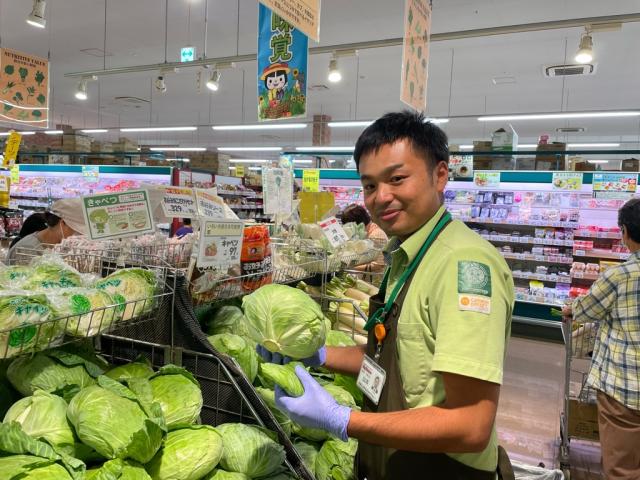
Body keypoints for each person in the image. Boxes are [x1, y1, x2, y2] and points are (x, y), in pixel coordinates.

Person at [259, 111, 515, 479]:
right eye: (369, 186)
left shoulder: (463, 265)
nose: (382, 197)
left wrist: (341, 420)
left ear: (440, 175)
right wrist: (315, 354)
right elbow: (392, 357)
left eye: (397, 179)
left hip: (440, 470)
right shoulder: (408, 254)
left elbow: (471, 424)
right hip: (397, 459)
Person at [563, 198, 640, 480]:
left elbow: (587, 308)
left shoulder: (619, 275)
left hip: (625, 386)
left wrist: (571, 309)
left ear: (624, 232)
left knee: (622, 467)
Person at [6, 198, 86, 265]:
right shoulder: (27, 250)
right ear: (63, 224)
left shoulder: (56, 246)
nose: (80, 235)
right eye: (77, 230)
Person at [341, 204, 388, 272]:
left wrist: (350, 268)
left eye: (349, 226)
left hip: (374, 280)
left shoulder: (376, 235)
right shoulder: (365, 232)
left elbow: (379, 265)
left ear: (356, 223)